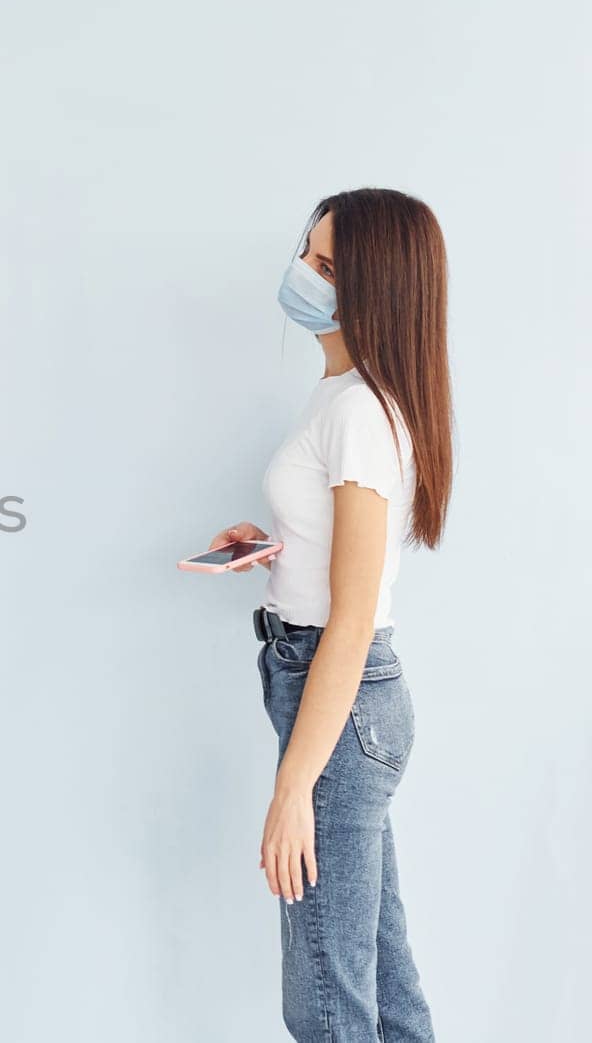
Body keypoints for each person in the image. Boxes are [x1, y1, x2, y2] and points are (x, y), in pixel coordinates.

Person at [210, 189, 450, 1041]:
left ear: (377, 289)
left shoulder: (358, 413)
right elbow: (343, 570)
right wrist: (275, 546)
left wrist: (292, 789)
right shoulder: (346, 397)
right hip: (334, 691)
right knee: (382, 985)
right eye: (307, 254)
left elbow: (350, 620)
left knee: (325, 1000)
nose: (302, 275)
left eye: (327, 267)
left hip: (338, 701)